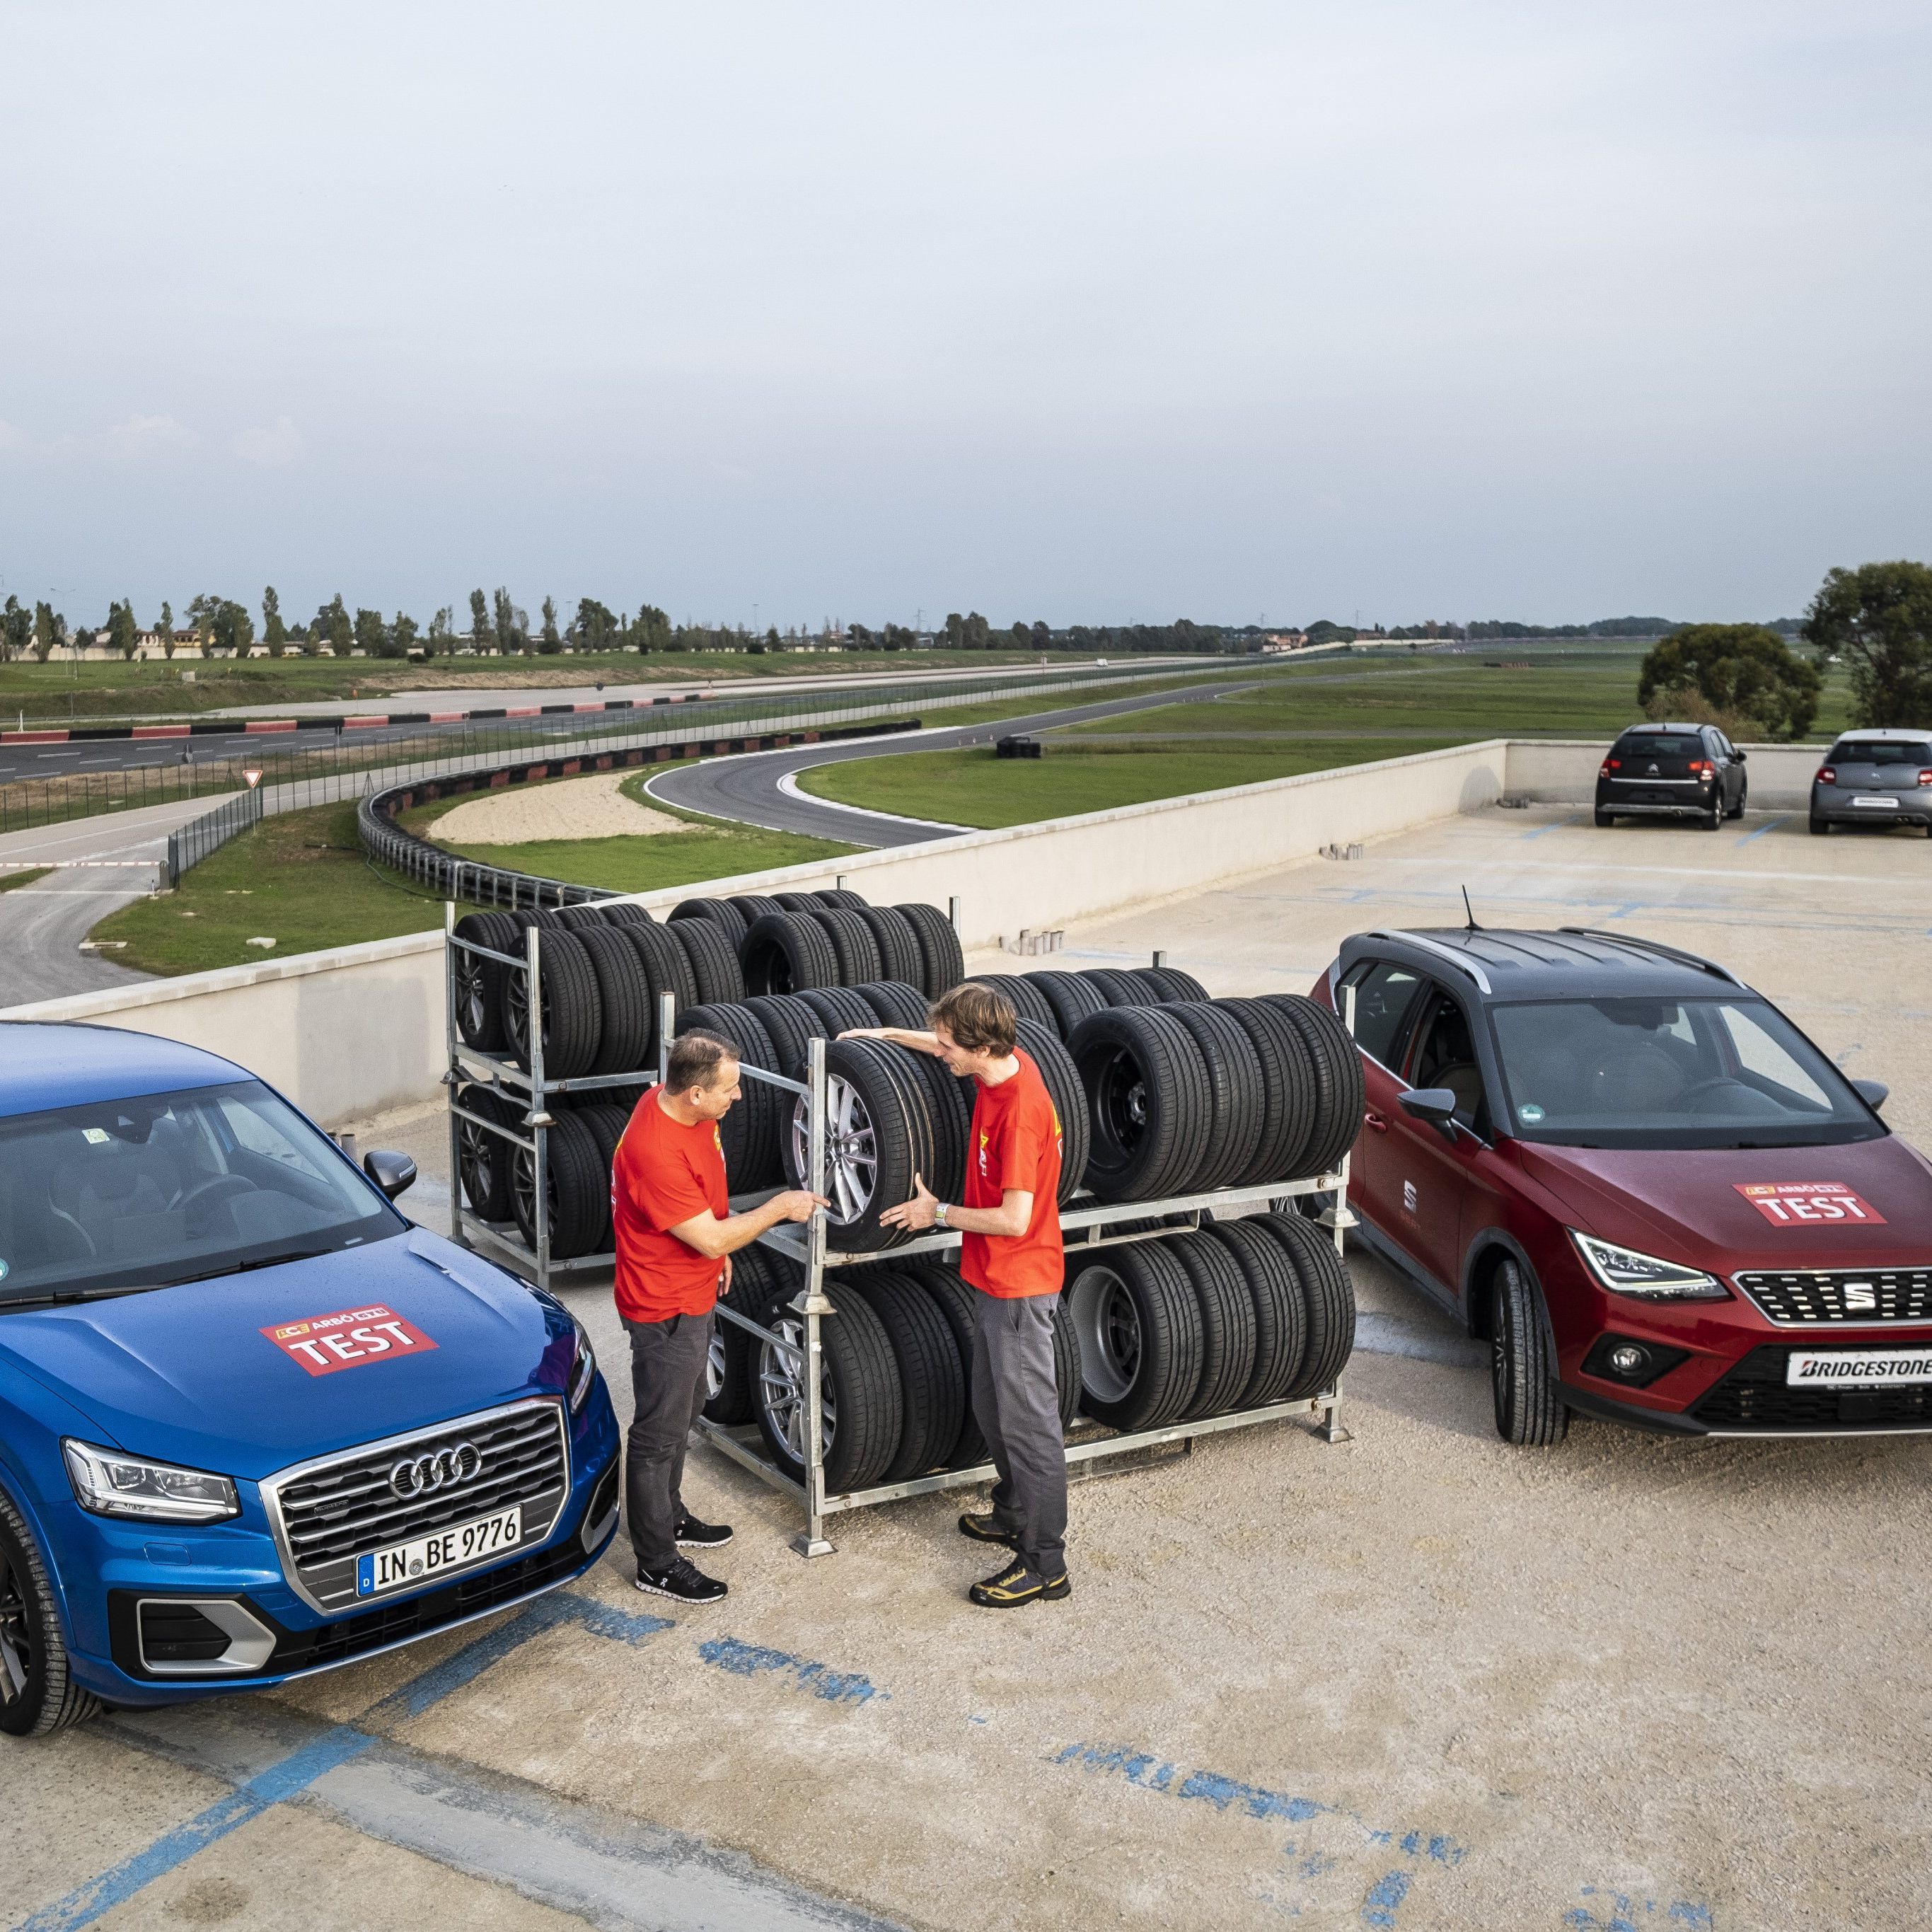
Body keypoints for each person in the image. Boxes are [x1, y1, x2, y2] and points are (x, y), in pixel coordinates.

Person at [840, 983, 1069, 1609]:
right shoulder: (998, 1069)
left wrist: (935, 1211)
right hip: (995, 1281)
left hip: (1021, 1284)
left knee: (1029, 1428)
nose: (939, 1052)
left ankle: (1044, 1562)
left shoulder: (1020, 1109)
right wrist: (887, 1038)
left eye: (945, 1045)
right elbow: (947, 1046)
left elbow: (1014, 1219)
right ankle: (1014, 1510)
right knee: (994, 1410)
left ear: (980, 1046)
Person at [612, 1029, 825, 1604]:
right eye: (728, 1089)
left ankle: (672, 1515)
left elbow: (708, 1226)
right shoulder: (654, 1152)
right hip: (665, 1306)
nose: (738, 1097)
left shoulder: (677, 1101)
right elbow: (704, 1237)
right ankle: (655, 1562)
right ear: (694, 1095)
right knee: (658, 1433)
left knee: (686, 1412)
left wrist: (722, 1248)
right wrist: (779, 1207)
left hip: (695, 1289)